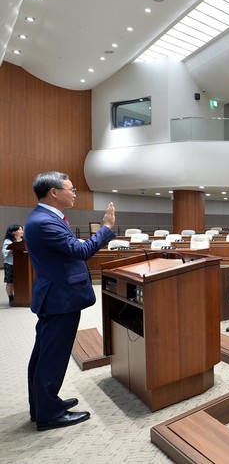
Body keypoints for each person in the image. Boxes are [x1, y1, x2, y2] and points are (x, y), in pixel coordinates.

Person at [25, 171, 116, 431]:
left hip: (55, 295)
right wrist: (106, 228)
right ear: (54, 192)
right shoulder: (45, 221)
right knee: (52, 356)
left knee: (44, 353)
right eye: (71, 189)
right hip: (60, 298)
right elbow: (81, 251)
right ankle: (49, 414)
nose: (74, 193)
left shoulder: (44, 217)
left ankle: (42, 405)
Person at [3, 224, 24, 306]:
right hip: (10, 264)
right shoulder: (8, 241)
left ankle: (21, 296)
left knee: (20, 281)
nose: (22, 231)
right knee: (10, 281)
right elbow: (5, 252)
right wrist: (14, 247)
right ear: (13, 232)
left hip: (22, 264)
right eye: (19, 229)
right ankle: (11, 298)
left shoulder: (24, 240)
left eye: (21, 229)